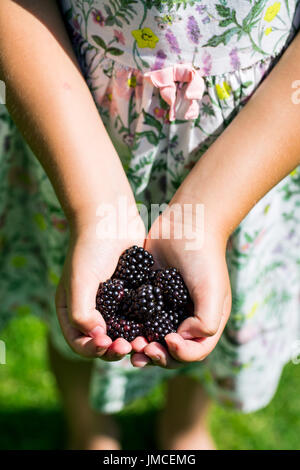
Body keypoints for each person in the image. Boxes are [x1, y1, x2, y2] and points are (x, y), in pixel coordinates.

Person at [1, 0, 300, 450]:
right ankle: (88, 427)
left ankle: (183, 428)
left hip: (249, 148)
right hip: (75, 126)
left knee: (206, 314)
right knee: (73, 309)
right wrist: (93, 204)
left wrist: (210, 216)